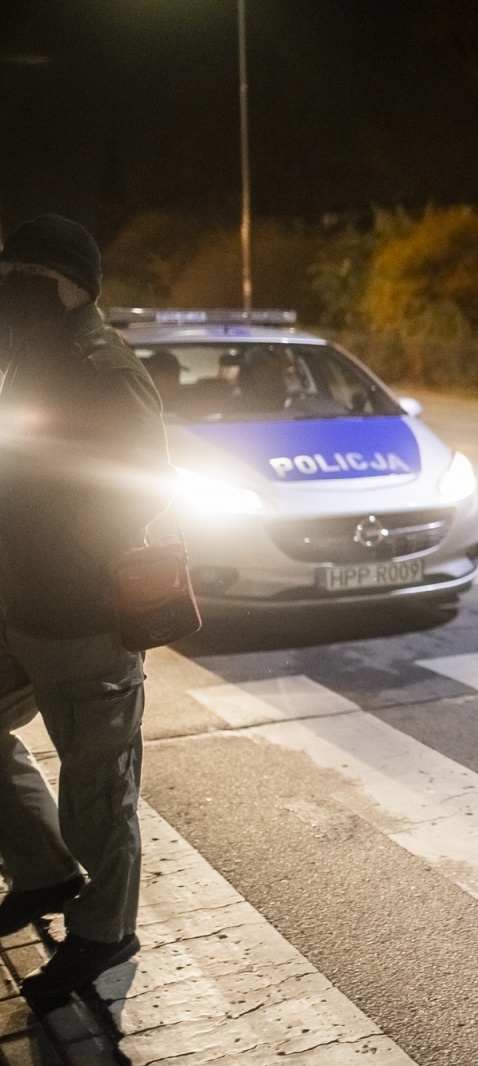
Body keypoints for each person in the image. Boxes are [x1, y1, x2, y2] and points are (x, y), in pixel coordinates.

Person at [0, 215, 172, 995]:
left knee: (99, 786)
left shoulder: (99, 365)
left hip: (82, 616)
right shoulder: (29, 355)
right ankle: (41, 870)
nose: (9, 289)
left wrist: (73, 558)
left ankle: (104, 933)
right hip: (17, 602)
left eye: (23, 277)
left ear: (70, 284)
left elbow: (140, 483)